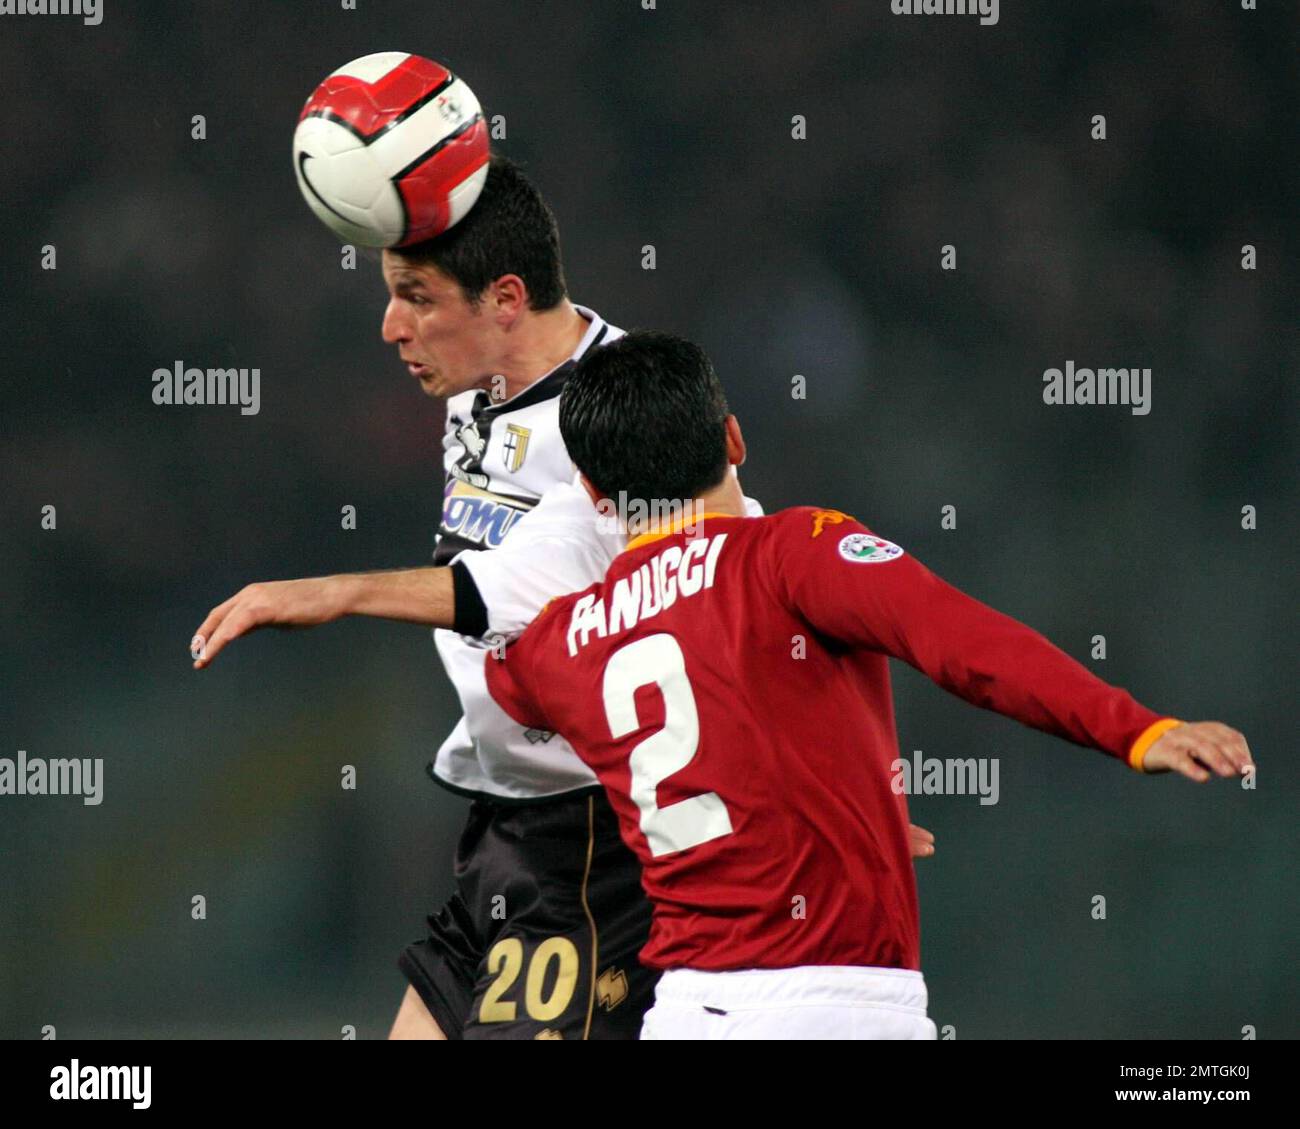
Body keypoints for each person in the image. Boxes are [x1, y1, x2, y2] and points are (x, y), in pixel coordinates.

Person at [192, 154, 939, 1039]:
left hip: (603, 842)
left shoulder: (620, 408)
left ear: (505, 300)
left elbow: (737, 577)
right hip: (506, 830)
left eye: (417, 298)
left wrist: (825, 782)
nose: (392, 326)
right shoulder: (472, 389)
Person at [482, 330, 1255, 1040]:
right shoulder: (790, 552)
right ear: (733, 437)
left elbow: (504, 667)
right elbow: (960, 640)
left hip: (683, 1010)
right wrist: (1134, 728)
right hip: (836, 1005)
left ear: (590, 494)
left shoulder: (564, 640)